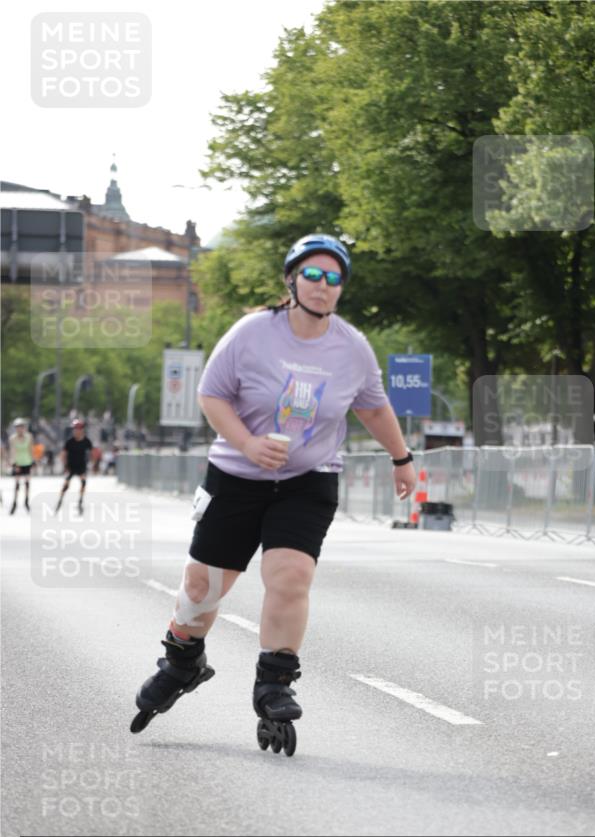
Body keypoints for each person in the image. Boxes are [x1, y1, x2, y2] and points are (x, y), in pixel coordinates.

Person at [130, 233, 416, 755]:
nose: (323, 285)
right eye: (313, 274)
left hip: (308, 479)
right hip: (237, 474)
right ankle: (182, 661)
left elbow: (373, 407)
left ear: (342, 288)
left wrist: (402, 459)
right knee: (203, 587)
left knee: (290, 575)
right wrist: (247, 443)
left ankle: (275, 683)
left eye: (334, 278)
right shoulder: (252, 333)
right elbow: (211, 394)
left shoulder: (351, 347)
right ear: (292, 279)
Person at [54, 419, 93, 514]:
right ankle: (60, 500)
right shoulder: (70, 442)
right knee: (66, 484)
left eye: (78, 429)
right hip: (70, 466)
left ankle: (80, 500)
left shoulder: (86, 441)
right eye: (74, 429)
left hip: (81, 466)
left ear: (82, 430)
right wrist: (65, 465)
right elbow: (63, 454)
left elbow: (92, 452)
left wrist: (92, 463)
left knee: (83, 482)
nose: (76, 431)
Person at [8, 418, 34, 514]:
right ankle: (14, 503)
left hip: (27, 461)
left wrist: (33, 461)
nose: (20, 429)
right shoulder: (13, 438)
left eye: (22, 427)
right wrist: (14, 463)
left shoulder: (29, 437)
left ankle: (26, 502)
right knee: (17, 484)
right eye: (18, 427)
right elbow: (12, 451)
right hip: (18, 462)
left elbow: (30, 449)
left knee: (27, 483)